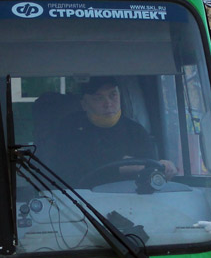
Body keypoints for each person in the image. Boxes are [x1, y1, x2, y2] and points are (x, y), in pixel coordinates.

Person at [44, 76, 177, 186]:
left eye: (113, 95)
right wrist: (125, 167)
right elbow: (70, 172)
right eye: (99, 98)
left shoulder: (136, 130)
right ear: (84, 104)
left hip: (133, 201)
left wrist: (165, 168)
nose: (108, 103)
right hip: (83, 203)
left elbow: (151, 172)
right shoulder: (70, 129)